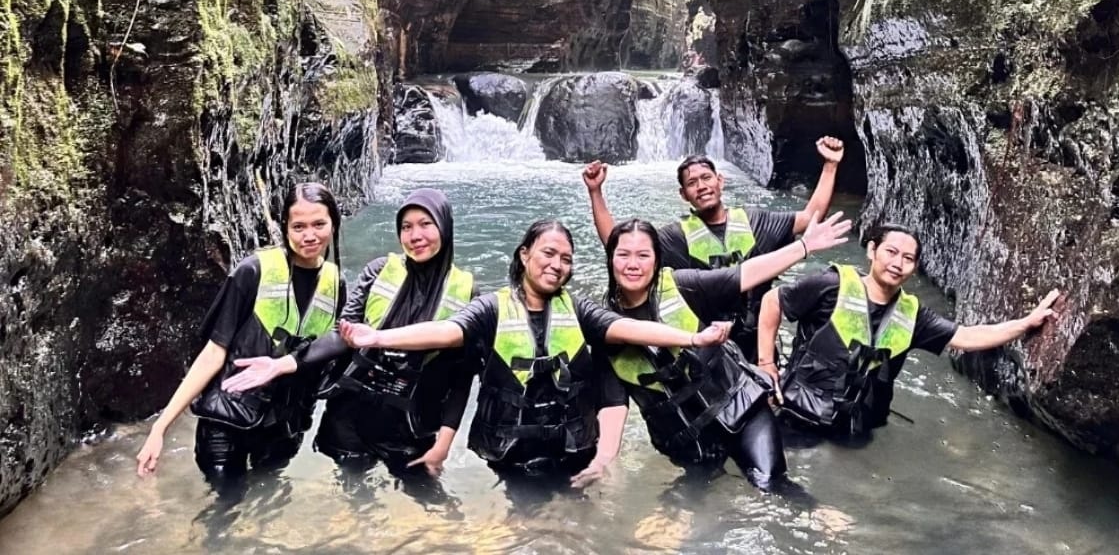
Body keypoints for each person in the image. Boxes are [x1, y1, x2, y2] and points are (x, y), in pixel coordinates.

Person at [338, 219, 733, 488]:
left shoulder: (578, 309)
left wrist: (693, 339)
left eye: (565, 258)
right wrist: (377, 338)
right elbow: (445, 331)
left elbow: (626, 327)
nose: (556, 264)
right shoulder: (491, 307)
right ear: (525, 255)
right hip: (510, 452)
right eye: (548, 254)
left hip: (572, 448)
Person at [221, 189, 476, 480]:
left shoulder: (467, 293)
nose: (415, 235)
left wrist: (443, 446)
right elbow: (340, 334)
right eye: (406, 227)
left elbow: (461, 379)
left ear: (444, 225)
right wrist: (282, 364)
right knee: (354, 504)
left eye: (425, 224)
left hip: (411, 425)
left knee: (426, 507)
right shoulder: (379, 271)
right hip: (352, 416)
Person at [599, 210, 852, 489]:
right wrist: (603, 461)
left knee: (772, 487)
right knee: (689, 512)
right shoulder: (603, 326)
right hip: (687, 439)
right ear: (610, 258)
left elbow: (741, 275)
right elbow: (612, 403)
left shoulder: (683, 285)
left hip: (742, 408)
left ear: (657, 260)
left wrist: (804, 246)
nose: (633, 264)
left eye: (643, 255)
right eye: (623, 255)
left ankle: (816, 516)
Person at [756, 223, 1062, 436]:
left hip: (857, 424)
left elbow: (967, 337)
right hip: (798, 412)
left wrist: (1025, 323)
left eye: (908, 258)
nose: (897, 263)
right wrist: (766, 365)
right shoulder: (830, 285)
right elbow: (772, 301)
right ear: (872, 251)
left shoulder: (913, 316)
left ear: (914, 268)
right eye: (891, 252)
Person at [135, 182, 346, 482]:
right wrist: (160, 428)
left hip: (284, 428)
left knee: (265, 509)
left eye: (318, 224)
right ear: (284, 227)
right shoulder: (253, 271)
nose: (309, 235)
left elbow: (329, 351)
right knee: (223, 513)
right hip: (226, 422)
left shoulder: (336, 285)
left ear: (334, 223)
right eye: (298, 226)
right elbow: (212, 353)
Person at [584, 136, 844, 360]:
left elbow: (810, 219)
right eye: (692, 183)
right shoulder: (676, 237)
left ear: (720, 181)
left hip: (756, 341)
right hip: (707, 343)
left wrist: (830, 166)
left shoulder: (757, 222)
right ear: (683, 194)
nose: (701, 186)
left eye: (706, 178)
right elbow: (617, 246)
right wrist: (596, 192)